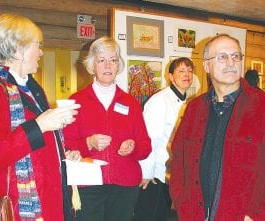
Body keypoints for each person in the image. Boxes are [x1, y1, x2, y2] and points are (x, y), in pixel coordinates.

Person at [0, 13, 81, 220]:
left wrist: (64, 152)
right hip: (20, 207)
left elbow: (38, 142)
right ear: (19, 49)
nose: (40, 52)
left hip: (50, 199)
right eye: (37, 45)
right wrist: (40, 126)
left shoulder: (31, 87)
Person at [169, 33, 265, 221]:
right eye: (222, 57)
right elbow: (178, 157)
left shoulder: (260, 107)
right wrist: (181, 200)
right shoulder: (194, 108)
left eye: (236, 56)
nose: (231, 62)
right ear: (206, 65)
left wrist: (258, 215)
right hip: (195, 214)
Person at [63, 36, 152, 221]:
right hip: (88, 185)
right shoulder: (76, 101)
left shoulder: (131, 103)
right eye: (101, 60)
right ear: (92, 65)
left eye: (113, 60)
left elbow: (145, 146)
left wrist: (133, 146)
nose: (108, 66)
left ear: (118, 65)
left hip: (125, 185)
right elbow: (65, 144)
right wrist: (88, 143)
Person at [132, 57, 194, 221]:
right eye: (181, 71)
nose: (186, 74)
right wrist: (146, 173)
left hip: (172, 175)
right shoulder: (159, 101)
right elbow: (149, 140)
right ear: (171, 76)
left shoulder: (187, 102)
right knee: (150, 216)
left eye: (189, 71)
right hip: (155, 176)